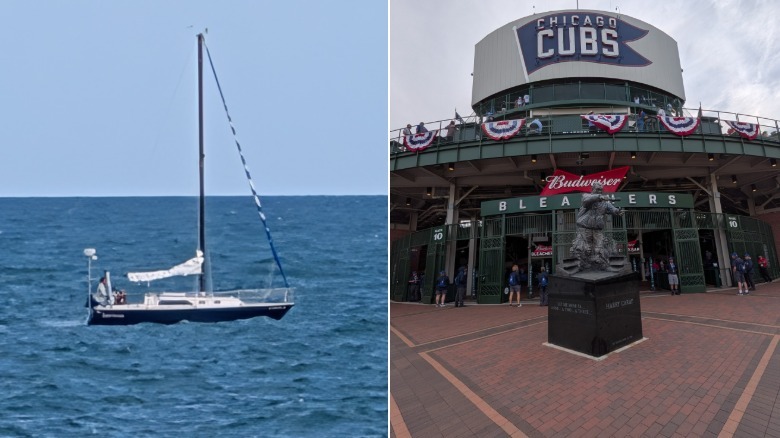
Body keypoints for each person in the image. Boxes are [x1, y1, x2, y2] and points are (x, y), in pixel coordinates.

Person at [570, 182, 624, 271]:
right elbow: (585, 200)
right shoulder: (586, 196)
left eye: (601, 190)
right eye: (597, 189)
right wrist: (599, 197)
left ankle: (604, 266)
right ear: (592, 189)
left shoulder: (605, 202)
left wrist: (618, 211)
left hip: (597, 229)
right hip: (584, 227)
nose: (599, 191)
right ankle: (579, 266)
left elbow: (612, 209)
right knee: (582, 247)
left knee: (600, 246)